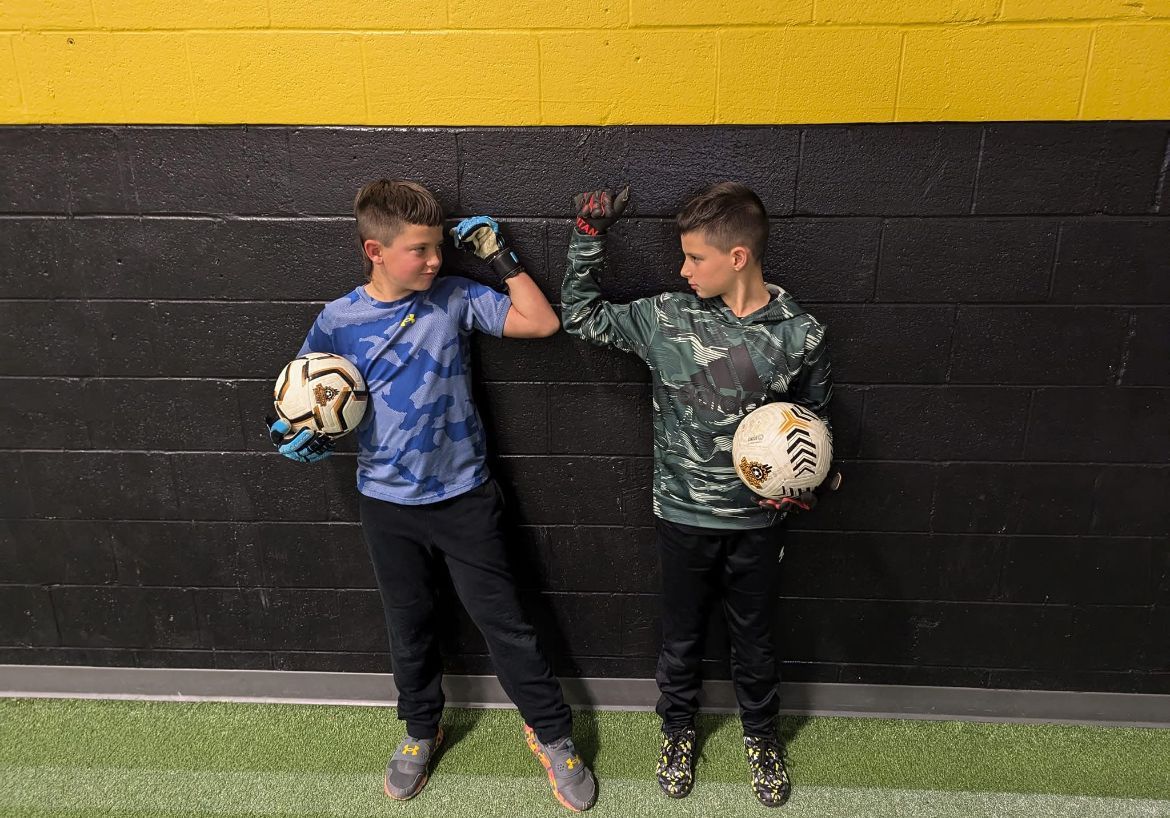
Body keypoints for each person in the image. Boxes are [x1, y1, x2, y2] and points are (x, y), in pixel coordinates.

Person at [267, 179, 597, 813]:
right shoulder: (337, 321)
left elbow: (541, 321)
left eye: (440, 246)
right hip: (386, 506)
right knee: (409, 626)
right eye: (420, 249)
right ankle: (421, 729)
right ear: (375, 250)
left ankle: (552, 734)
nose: (436, 260)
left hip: (465, 497)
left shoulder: (453, 299)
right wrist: (299, 436)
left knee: (506, 624)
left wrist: (502, 257)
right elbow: (305, 396)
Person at [561, 182, 833, 808]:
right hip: (681, 517)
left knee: (756, 639)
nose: (682, 270)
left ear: (737, 257)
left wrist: (806, 487)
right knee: (680, 638)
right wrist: (588, 238)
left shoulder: (803, 336)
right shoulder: (666, 318)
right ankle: (677, 730)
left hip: (757, 527)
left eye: (694, 258)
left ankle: (762, 738)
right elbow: (581, 314)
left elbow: (815, 425)